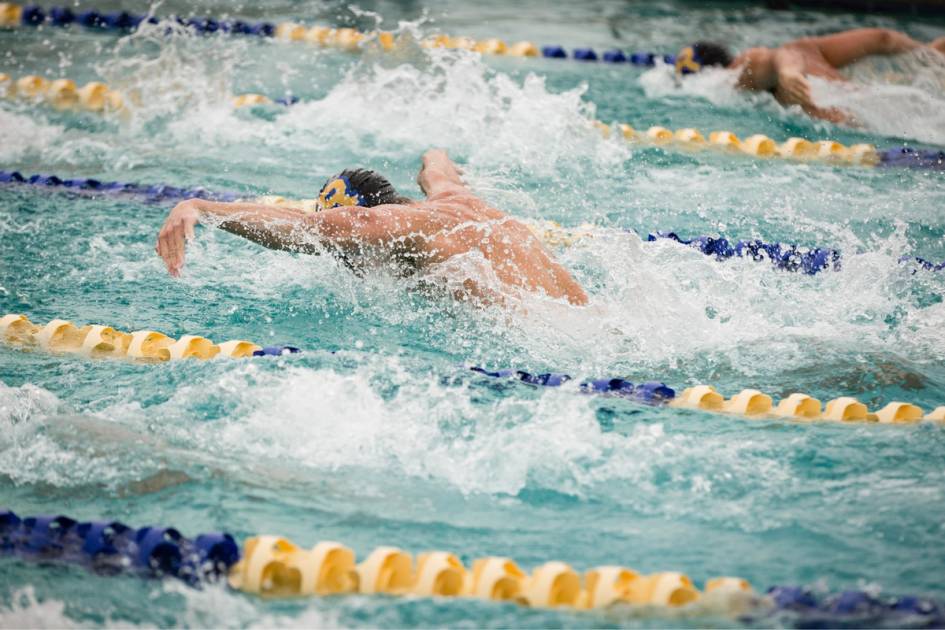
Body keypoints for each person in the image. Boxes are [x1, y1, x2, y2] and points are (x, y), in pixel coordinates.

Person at [155, 149, 589, 306]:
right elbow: (436, 163)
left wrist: (201, 207)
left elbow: (313, 226)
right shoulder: (451, 198)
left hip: (549, 336)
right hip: (592, 320)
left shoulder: (384, 225)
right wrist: (433, 154)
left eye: (343, 245)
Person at [675, 29, 945, 122]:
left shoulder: (739, 75)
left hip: (865, 116)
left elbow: (775, 57)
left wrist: (789, 74)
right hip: (881, 101)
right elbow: (883, 39)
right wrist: (924, 54)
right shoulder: (807, 47)